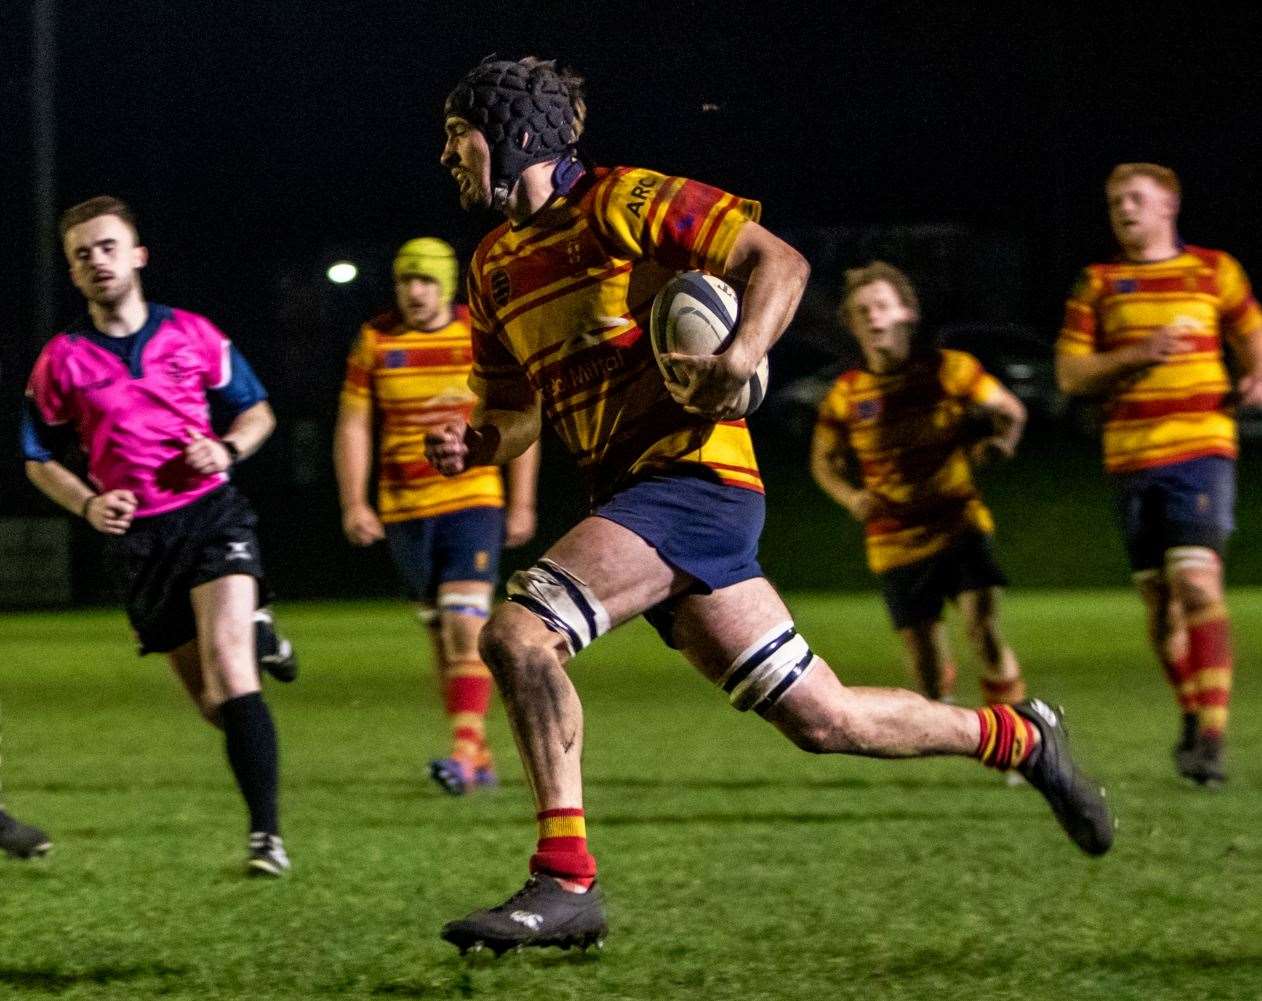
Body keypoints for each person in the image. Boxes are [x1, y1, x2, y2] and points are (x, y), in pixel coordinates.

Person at [426, 56, 1113, 955]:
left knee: (521, 633)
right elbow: (515, 413)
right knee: (824, 718)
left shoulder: (623, 203)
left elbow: (774, 261)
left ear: (516, 133)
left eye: (457, 137)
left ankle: (565, 880)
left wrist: (741, 355)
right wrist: (476, 442)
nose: (446, 157)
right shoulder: (490, 268)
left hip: (693, 482)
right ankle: (1021, 735)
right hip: (630, 495)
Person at [21, 195, 293, 875]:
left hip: (210, 514)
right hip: (139, 542)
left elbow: (258, 412)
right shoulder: (62, 360)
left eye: (108, 246)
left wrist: (227, 449)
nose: (97, 261)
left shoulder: (192, 335)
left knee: (231, 666)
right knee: (214, 700)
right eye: (82, 254)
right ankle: (263, 634)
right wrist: (87, 504)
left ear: (138, 254)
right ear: (72, 271)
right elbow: (37, 456)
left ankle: (266, 835)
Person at [1057, 163, 1262, 786]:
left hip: (1200, 451)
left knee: (1197, 584)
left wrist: (1255, 375)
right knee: (1159, 603)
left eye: (1136, 198)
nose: (1124, 208)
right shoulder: (1099, 283)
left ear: (1168, 205)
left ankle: (1212, 736)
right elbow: (1071, 376)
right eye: (1115, 199)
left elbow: (1251, 332)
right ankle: (1192, 711)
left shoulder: (1213, 270)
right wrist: (1141, 353)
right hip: (1129, 459)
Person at [334, 236, 539, 794]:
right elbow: (353, 424)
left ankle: (460, 751)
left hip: (472, 500)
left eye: (425, 280)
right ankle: (478, 753)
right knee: (442, 639)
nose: (414, 292)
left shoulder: (478, 333)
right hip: (405, 508)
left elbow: (518, 412)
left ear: (445, 284)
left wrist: (521, 501)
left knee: (463, 624)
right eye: (405, 281)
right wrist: (355, 501)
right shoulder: (376, 339)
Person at [812, 262, 1028, 708]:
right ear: (852, 326)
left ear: (907, 313)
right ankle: (947, 724)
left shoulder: (951, 370)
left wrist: (999, 443)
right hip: (894, 540)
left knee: (982, 629)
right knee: (927, 670)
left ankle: (1016, 738)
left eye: (882, 306)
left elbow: (1011, 411)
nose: (873, 316)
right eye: (861, 311)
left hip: (959, 523)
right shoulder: (846, 395)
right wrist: (851, 497)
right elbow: (823, 463)